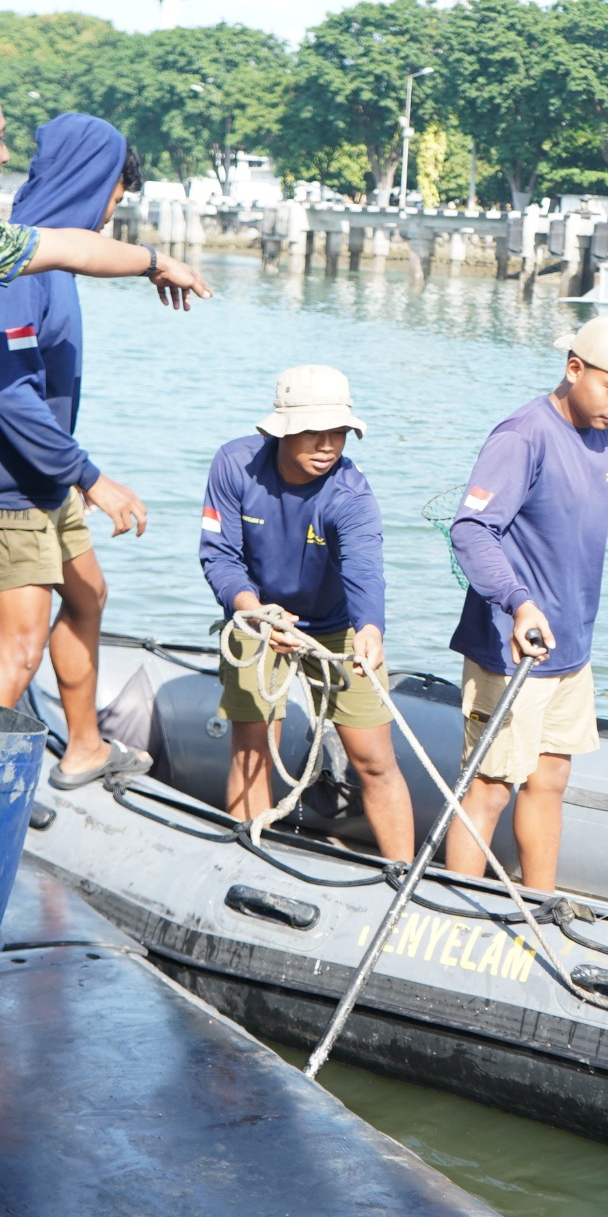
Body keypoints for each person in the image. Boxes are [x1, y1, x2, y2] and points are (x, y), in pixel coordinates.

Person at [0, 78, 207, 787]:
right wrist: (92, 478)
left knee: (88, 595)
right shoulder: (17, 269)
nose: (116, 208)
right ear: (94, 183)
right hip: (6, 485)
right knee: (17, 652)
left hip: (45, 478)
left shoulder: (55, 260)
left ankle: (85, 746)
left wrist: (69, 476)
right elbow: (12, 397)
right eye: (116, 193)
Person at [445, 316, 608, 892]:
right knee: (489, 788)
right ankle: (453, 909)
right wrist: (518, 603)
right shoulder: (522, 436)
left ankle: (541, 903)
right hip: (514, 649)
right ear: (574, 369)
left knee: (550, 779)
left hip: (572, 649)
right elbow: (471, 531)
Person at [198, 365, 413, 864]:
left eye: (338, 431)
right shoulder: (234, 465)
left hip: (338, 627)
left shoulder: (351, 494)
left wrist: (370, 630)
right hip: (257, 614)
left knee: (375, 760)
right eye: (314, 432)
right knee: (252, 747)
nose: (328, 444)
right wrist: (255, 614)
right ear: (281, 430)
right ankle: (246, 863)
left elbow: (365, 568)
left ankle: (404, 879)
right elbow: (219, 556)